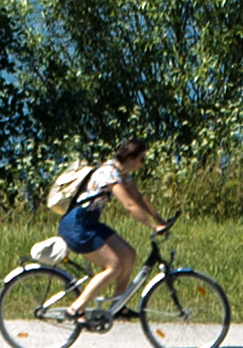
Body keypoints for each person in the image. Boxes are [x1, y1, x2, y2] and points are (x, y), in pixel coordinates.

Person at [41, 134, 165, 323]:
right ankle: (76, 309)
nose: (142, 163)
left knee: (128, 254)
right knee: (113, 266)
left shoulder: (122, 173)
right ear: (131, 158)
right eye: (141, 159)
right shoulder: (109, 173)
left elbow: (138, 198)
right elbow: (130, 206)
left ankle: (118, 305)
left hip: (89, 222)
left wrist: (159, 219)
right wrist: (153, 226)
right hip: (77, 225)